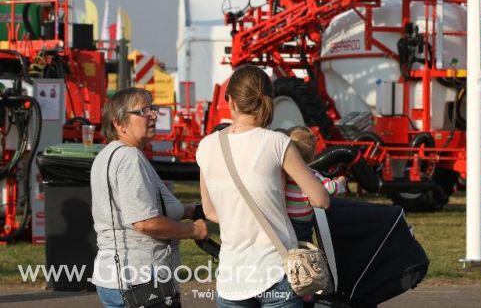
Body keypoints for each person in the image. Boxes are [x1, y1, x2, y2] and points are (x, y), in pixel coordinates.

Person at [196, 65, 330, 308]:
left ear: (231, 101)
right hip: (276, 271)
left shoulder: (205, 147)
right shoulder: (278, 143)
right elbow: (321, 199)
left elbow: (210, 211)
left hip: (232, 276)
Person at [91, 88, 209, 308]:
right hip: (142, 279)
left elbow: (137, 206)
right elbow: (145, 222)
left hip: (112, 277)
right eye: (144, 110)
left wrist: (187, 210)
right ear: (119, 123)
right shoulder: (129, 159)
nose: (154, 115)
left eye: (153, 108)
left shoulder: (106, 155)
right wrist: (193, 230)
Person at [284, 126, 346, 243]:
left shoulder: (284, 173)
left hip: (285, 221)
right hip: (303, 225)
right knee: (306, 252)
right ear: (313, 154)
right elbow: (330, 189)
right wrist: (340, 182)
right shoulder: (312, 175)